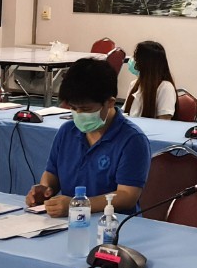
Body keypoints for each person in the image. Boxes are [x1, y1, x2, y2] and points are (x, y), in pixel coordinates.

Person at [26, 57, 150, 216]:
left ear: (110, 102)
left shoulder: (132, 140)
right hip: (70, 220)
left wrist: (78, 205)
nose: (79, 114)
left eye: (86, 109)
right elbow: (52, 173)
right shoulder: (67, 132)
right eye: (73, 108)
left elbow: (127, 196)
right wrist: (44, 190)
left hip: (113, 223)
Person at [123, 40, 177, 119]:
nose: (133, 61)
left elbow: (164, 121)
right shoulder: (134, 84)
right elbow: (125, 114)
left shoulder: (165, 87)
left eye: (136, 57)